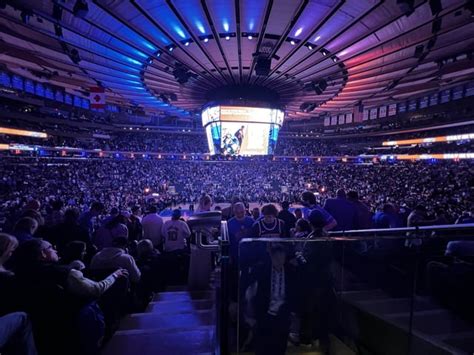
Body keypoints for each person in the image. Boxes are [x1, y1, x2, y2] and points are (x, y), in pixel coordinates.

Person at [247, 243, 297, 355]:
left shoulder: (291, 270)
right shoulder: (262, 269)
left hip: (283, 314)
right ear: (271, 257)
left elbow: (294, 293)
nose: (279, 260)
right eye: (276, 257)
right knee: (263, 347)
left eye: (282, 257)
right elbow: (249, 285)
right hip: (265, 313)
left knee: (280, 347)